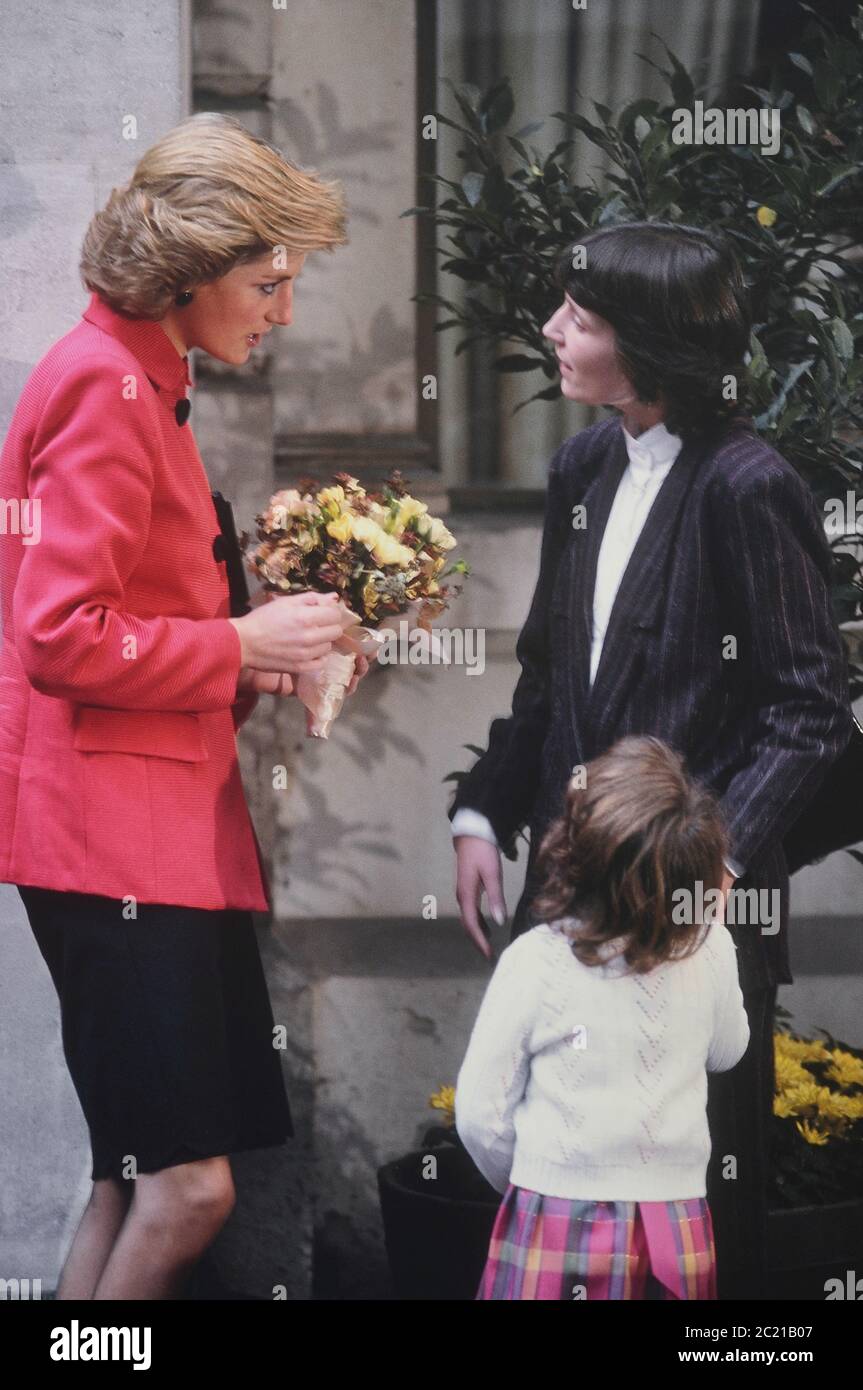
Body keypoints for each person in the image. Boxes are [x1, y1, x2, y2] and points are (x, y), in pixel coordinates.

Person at [0, 112, 368, 1300]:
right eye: (268, 283)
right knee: (188, 1189)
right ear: (195, 268)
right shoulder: (109, 388)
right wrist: (238, 640)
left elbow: (123, 627)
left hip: (142, 836)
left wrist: (261, 659)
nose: (282, 310)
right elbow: (59, 637)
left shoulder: (131, 377)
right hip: (118, 846)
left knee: (130, 1177)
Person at [449, 221, 853, 1298]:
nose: (551, 331)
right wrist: (481, 815)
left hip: (696, 936)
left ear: (651, 343)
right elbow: (546, 678)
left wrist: (705, 870)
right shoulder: (582, 462)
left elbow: (807, 710)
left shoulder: (745, 484)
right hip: (567, 901)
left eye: (578, 318)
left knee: (699, 1235)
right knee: (557, 1203)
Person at [456, 736, 750, 1300]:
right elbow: (728, 1050)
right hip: (674, 1221)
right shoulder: (709, 946)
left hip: (554, 1216)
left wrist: (535, 1177)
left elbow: (478, 1115)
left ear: (572, 849)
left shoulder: (537, 960)